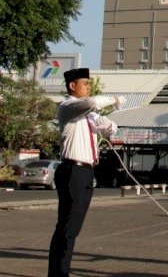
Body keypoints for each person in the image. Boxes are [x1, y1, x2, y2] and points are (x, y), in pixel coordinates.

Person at [48, 68, 124, 277]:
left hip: (86, 172)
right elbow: (92, 103)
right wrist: (113, 99)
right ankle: (58, 273)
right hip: (73, 169)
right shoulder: (68, 106)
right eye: (85, 84)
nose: (88, 88)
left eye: (90, 85)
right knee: (68, 227)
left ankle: (60, 271)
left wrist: (107, 123)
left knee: (73, 227)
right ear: (72, 86)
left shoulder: (87, 114)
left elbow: (111, 128)